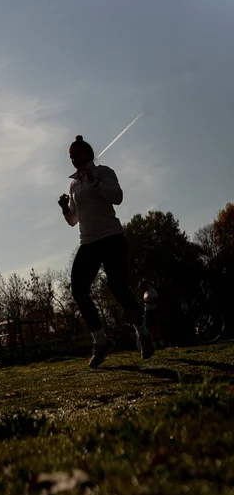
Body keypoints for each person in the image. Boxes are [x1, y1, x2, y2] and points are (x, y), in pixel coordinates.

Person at [58, 135, 154, 368]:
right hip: (88, 242)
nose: (74, 160)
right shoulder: (73, 184)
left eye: (77, 155)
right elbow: (73, 220)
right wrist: (64, 209)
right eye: (71, 157)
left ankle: (142, 333)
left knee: (118, 287)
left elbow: (118, 198)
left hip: (111, 237)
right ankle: (101, 342)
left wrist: (95, 181)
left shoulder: (103, 172)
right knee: (79, 290)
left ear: (88, 154)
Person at [138, 279, 164, 348]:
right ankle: (154, 343)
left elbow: (155, 301)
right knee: (150, 328)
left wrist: (145, 302)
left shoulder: (152, 291)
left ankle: (161, 343)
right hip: (147, 311)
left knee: (157, 327)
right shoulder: (145, 293)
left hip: (153, 311)